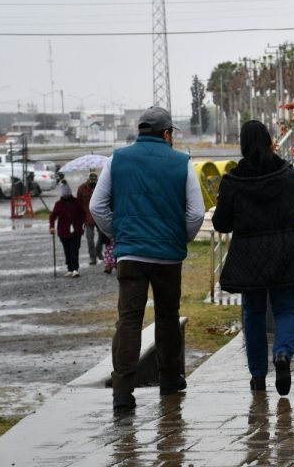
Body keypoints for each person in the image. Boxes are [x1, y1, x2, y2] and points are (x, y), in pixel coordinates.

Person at [90, 106, 204, 413]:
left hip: (130, 255)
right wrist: (181, 238)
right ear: (167, 134)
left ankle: (123, 393)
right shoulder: (182, 163)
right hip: (168, 257)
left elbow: (97, 206)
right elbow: (196, 214)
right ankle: (169, 380)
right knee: (168, 315)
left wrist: (121, 235)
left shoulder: (117, 160)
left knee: (129, 320)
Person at [212, 120, 294, 396]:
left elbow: (221, 222)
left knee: (253, 313)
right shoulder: (288, 174)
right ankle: (282, 354)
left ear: (243, 145)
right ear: (270, 142)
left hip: (249, 258)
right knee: (286, 309)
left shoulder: (233, 181)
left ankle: (258, 376)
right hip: (287, 252)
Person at [49, 180, 85, 278]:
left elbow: (83, 214)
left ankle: (75, 269)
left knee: (74, 250)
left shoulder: (76, 202)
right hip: (63, 232)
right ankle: (69, 268)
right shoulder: (58, 204)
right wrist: (52, 227)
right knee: (67, 250)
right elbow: (52, 216)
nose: (66, 196)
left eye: (67, 194)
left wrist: (81, 224)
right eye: (65, 195)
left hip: (76, 231)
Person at [76, 172, 102, 265]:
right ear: (88, 180)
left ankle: (98, 251)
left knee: (103, 237)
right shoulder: (81, 188)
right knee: (89, 239)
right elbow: (78, 204)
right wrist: (79, 218)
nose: (93, 183)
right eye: (92, 182)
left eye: (95, 182)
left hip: (99, 217)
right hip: (87, 218)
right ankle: (92, 257)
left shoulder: (101, 187)